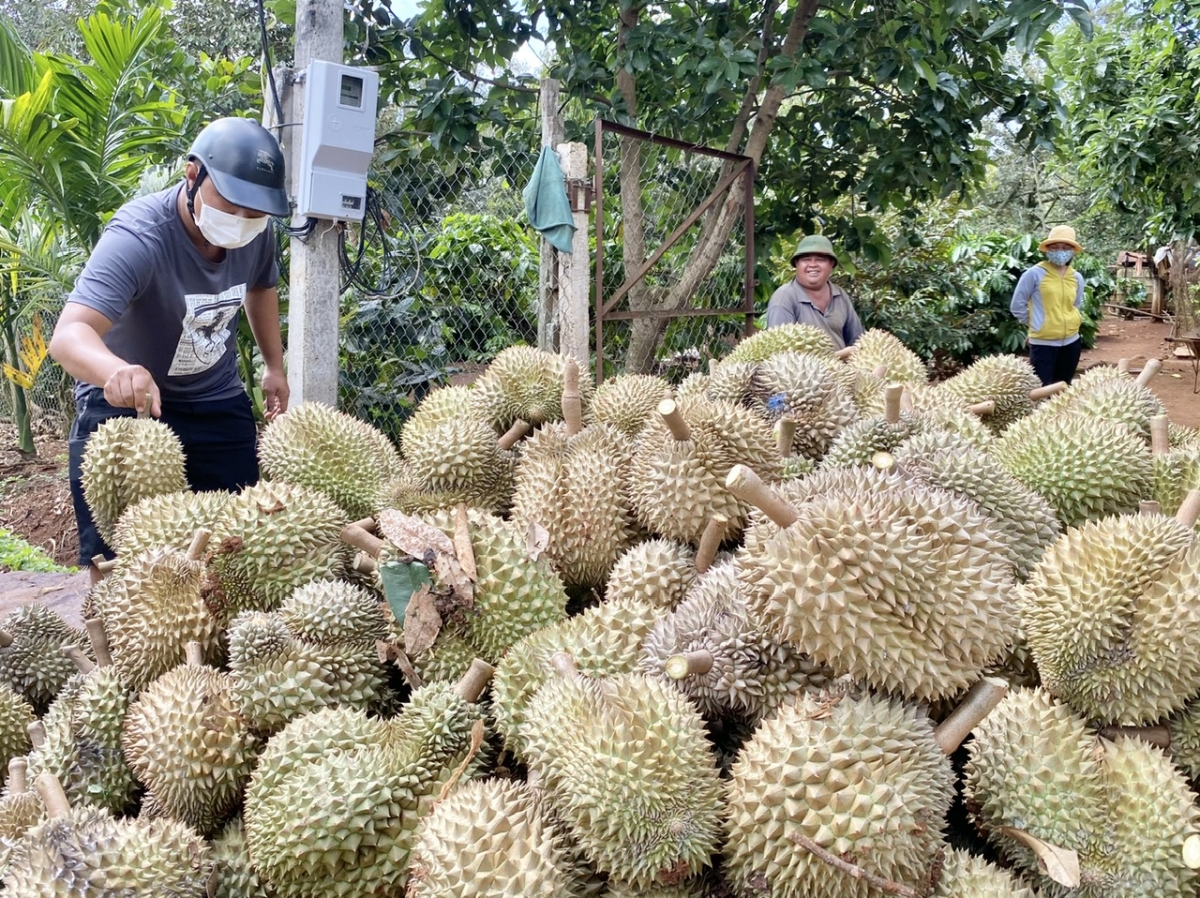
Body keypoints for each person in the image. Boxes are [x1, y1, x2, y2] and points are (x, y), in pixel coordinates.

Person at [48, 117, 292, 582]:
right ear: (192, 175)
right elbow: (69, 334)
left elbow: (262, 288)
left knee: (236, 543)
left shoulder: (258, 232)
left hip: (213, 397)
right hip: (127, 407)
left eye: (255, 212)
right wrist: (115, 370)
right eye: (232, 203)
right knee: (119, 565)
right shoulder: (139, 237)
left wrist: (273, 365)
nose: (242, 221)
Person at [1010, 225, 1086, 387]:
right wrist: (1036, 324)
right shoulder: (1034, 274)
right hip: (1043, 344)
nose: (1060, 251)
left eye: (1065, 247)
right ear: (1047, 250)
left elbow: (1075, 304)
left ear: (1073, 250)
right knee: (1041, 388)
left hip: (1072, 342)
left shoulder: (1076, 277)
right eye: (1055, 247)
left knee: (1064, 387)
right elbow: (1017, 305)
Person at [765, 234, 864, 350]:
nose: (812, 265)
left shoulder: (840, 295)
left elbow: (857, 340)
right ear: (797, 264)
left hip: (843, 367)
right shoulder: (784, 297)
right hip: (801, 367)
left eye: (820, 260)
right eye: (806, 260)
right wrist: (836, 357)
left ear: (831, 264)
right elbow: (779, 351)